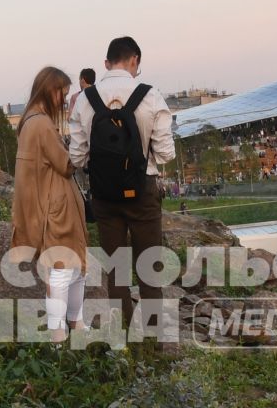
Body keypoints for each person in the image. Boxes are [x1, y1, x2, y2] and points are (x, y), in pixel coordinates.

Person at [69, 35, 175, 332]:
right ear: (134, 61)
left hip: (104, 196)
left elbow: (77, 157)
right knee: (149, 269)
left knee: (116, 271)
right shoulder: (150, 96)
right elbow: (165, 153)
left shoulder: (85, 101)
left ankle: (124, 336)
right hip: (143, 192)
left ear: (106, 62)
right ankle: (152, 337)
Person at [11, 66, 90, 343]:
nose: (63, 100)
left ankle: (74, 326)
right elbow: (67, 164)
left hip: (46, 205)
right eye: (62, 93)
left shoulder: (29, 121)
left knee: (70, 268)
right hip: (56, 207)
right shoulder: (42, 124)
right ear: (49, 90)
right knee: (64, 270)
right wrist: (81, 144)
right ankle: (61, 334)